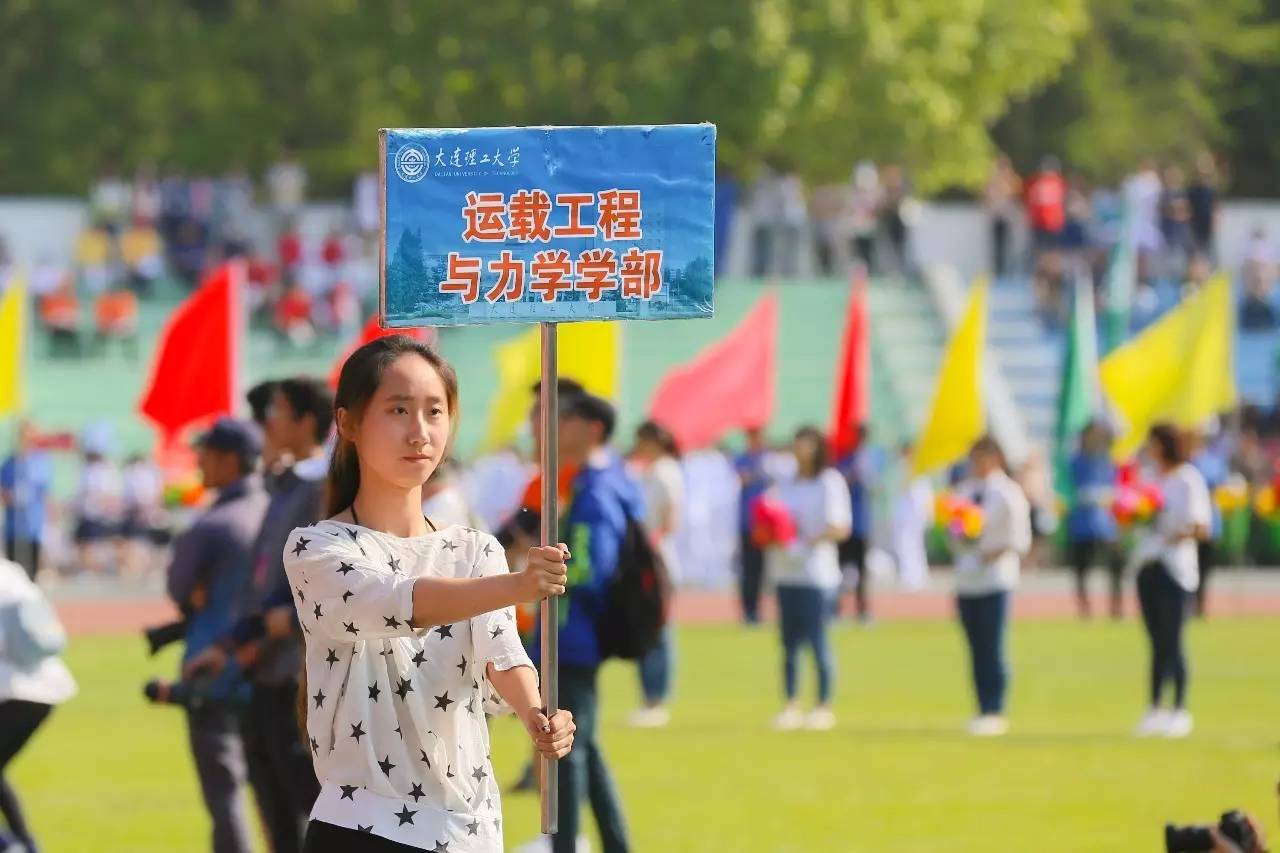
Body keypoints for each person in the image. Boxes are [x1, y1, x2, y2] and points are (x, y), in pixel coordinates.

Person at [282, 336, 574, 852]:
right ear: (348, 423)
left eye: (434, 412)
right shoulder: (317, 548)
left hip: (470, 829)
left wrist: (535, 713)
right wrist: (519, 585)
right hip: (364, 826)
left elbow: (500, 651)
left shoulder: (475, 549)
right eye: (398, 410)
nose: (419, 432)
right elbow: (398, 600)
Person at [185, 378, 334, 853]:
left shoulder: (320, 486)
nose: (267, 422)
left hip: (299, 673)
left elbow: (323, 575)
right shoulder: (283, 484)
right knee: (274, 809)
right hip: (263, 666)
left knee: (311, 809)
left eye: (276, 411)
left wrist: (286, 621)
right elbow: (265, 584)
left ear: (306, 421)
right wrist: (232, 643)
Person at [525, 390, 636, 853]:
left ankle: (565, 846)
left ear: (591, 429)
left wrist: (552, 573)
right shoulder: (599, 481)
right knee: (584, 751)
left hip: (573, 639)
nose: (551, 425)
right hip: (572, 636)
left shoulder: (597, 487)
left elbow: (593, 569)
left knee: (566, 752)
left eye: (562, 417)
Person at [165, 418, 271, 853]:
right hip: (273, 668)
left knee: (225, 793)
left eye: (205, 453)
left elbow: (178, 589)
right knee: (278, 797)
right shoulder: (278, 509)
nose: (198, 461)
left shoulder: (214, 523)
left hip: (213, 670)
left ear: (229, 461)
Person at [764, 426, 852, 731]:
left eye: (808, 444)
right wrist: (776, 536)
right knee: (788, 643)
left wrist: (807, 542)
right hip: (786, 571)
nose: (801, 450)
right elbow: (770, 518)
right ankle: (790, 703)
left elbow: (840, 527)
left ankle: (823, 704)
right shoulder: (784, 483)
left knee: (817, 640)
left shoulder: (829, 482)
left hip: (816, 573)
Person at [1132, 424, 1210, 739]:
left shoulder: (1188, 479)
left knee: (1173, 639)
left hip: (1174, 568)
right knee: (1155, 641)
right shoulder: (1149, 479)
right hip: (1147, 564)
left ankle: (1179, 708)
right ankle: (1154, 708)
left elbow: (1202, 527)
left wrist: (1174, 533)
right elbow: (1134, 512)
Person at [951, 436, 1031, 737]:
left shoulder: (1008, 492)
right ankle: (980, 707)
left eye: (983, 457)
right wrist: (961, 537)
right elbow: (954, 529)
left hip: (995, 578)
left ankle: (995, 709)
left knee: (993, 646)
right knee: (974, 647)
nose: (978, 464)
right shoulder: (965, 491)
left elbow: (1020, 539)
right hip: (967, 578)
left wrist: (993, 551)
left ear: (996, 458)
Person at [0, 557, 76, 852]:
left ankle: (14, 844)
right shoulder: (10, 570)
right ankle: (22, 842)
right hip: (45, 686)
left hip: (13, 688)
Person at [628, 420, 684, 728]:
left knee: (658, 631)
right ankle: (649, 697)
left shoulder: (666, 472)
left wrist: (649, 545)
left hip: (658, 560)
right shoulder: (648, 472)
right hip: (644, 559)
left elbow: (670, 520)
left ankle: (657, 698)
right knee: (646, 630)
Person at [1066, 421, 1122, 620]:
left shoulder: (1108, 462)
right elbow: (1065, 490)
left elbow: (1118, 489)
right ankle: (1085, 609)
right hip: (1082, 525)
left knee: (1115, 568)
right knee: (1081, 571)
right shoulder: (1074, 462)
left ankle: (1116, 608)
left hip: (1107, 526)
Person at [0, 421, 54, 580]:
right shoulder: (10, 463)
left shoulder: (41, 462)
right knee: (14, 574)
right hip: (13, 527)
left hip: (33, 525)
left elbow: (45, 492)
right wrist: (11, 496)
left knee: (31, 574)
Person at [836, 424, 877, 624]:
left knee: (861, 571)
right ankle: (837, 609)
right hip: (844, 524)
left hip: (861, 523)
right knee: (840, 569)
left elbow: (874, 485)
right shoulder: (843, 459)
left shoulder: (869, 460)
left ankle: (862, 610)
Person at [734, 427, 772, 624]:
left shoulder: (769, 460)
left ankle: (758, 609)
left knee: (763, 570)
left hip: (766, 525)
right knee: (748, 569)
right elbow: (740, 479)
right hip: (747, 523)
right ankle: (748, 610)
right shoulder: (742, 459)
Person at [984, 155, 1021, 279]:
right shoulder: (993, 181)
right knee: (997, 246)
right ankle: (999, 272)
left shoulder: (1011, 180)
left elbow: (1016, 193)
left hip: (1007, 218)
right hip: (997, 218)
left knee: (1008, 246)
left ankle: (1006, 271)